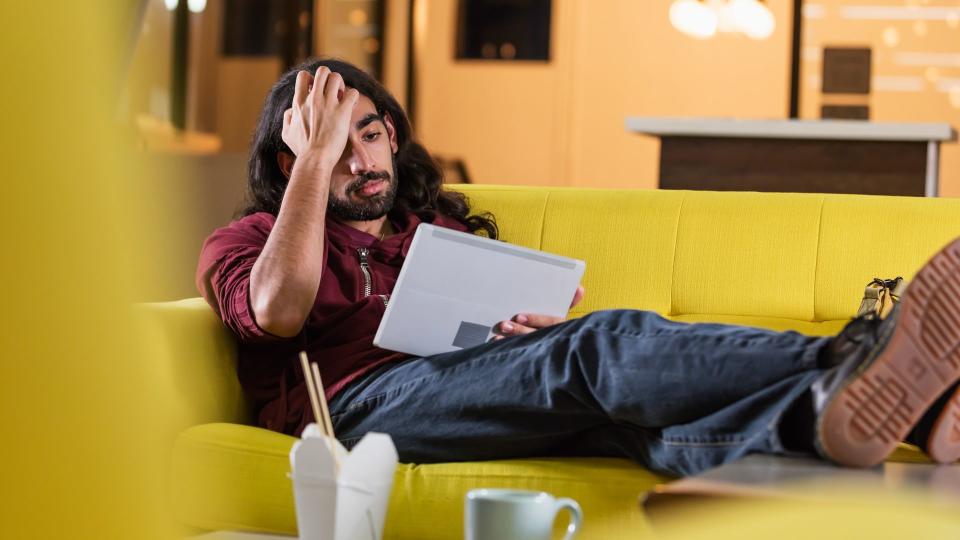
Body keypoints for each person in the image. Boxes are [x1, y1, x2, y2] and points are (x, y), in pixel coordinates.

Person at [197, 58, 960, 476]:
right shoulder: (251, 242)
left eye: (367, 134)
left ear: (392, 135)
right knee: (594, 347)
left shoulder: (440, 230)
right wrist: (314, 155)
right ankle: (857, 357)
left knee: (628, 420)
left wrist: (523, 340)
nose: (358, 160)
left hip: (461, 390)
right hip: (351, 413)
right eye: (333, 146)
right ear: (293, 159)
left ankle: (852, 418)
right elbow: (279, 311)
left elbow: (481, 351)